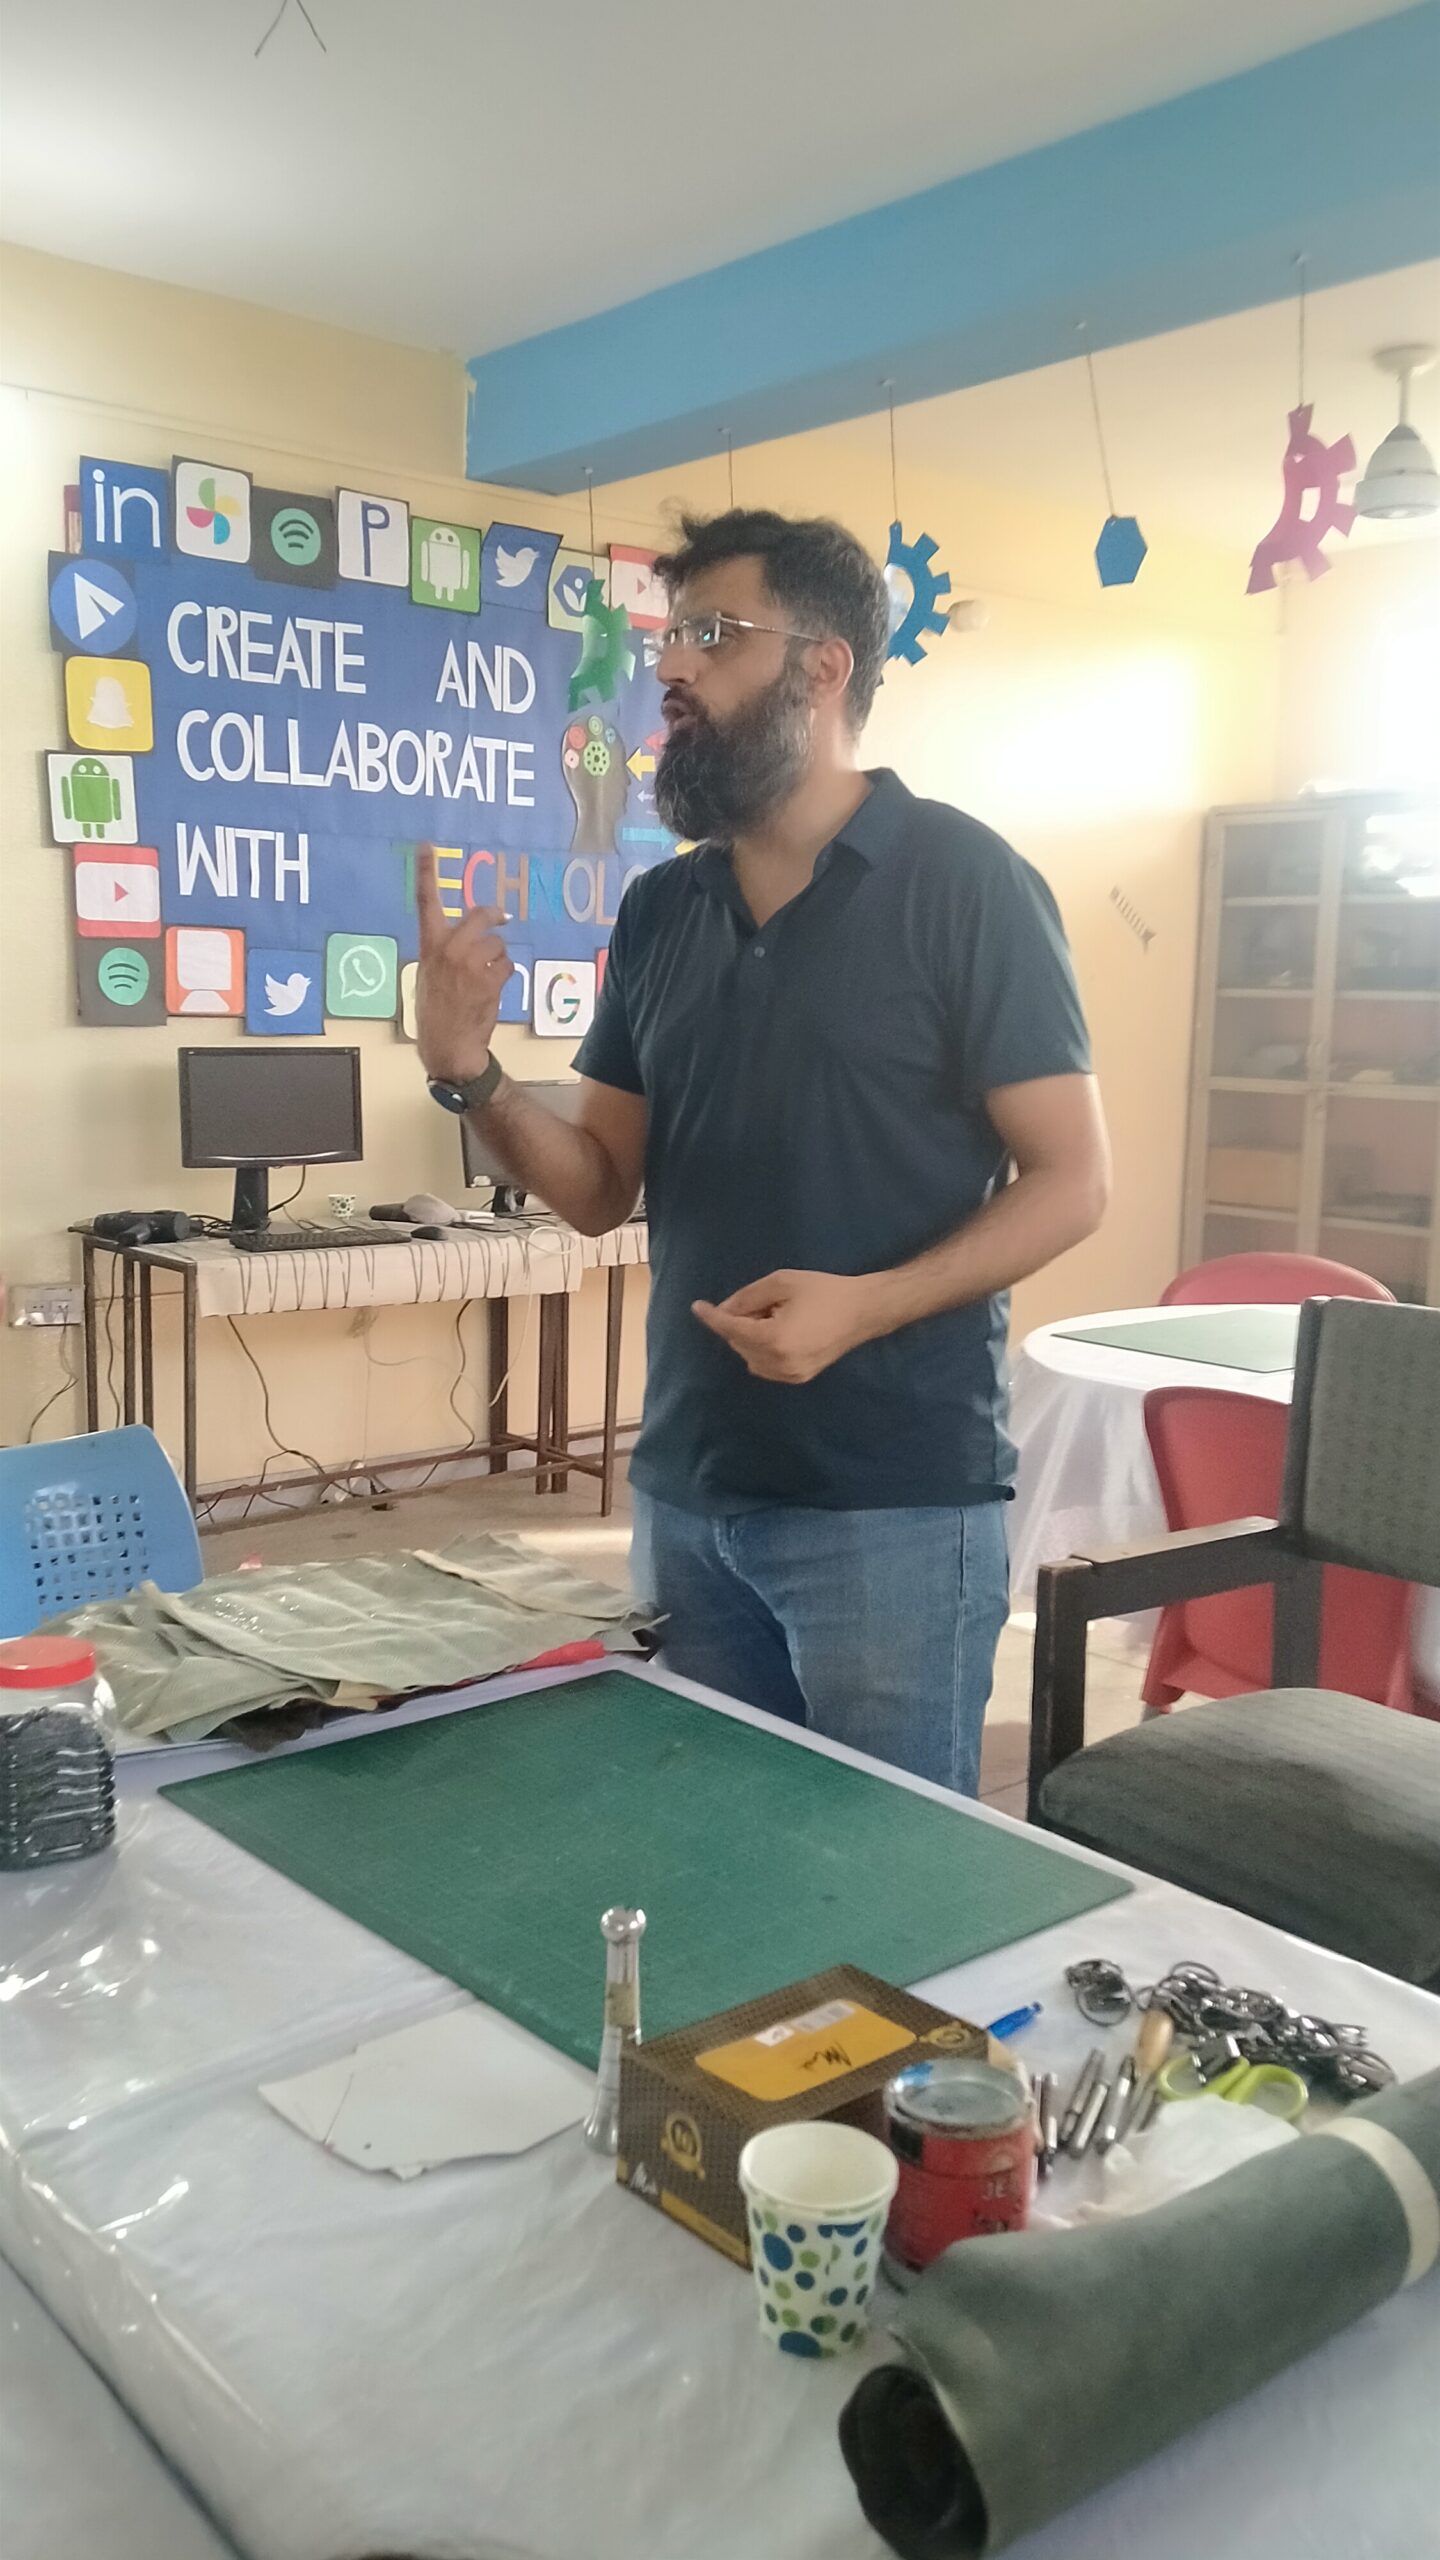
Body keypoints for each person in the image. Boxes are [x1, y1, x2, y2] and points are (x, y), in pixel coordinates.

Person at [414, 508, 1108, 1794]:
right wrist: (470, 1070)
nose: (671, 669)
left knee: (887, 1875)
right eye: (668, 639)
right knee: (715, 1856)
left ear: (824, 665)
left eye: (714, 634)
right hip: (687, 1494)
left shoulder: (967, 883)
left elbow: (1075, 1181)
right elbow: (597, 1189)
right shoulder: (661, 908)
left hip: (893, 1506)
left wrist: (869, 1305)